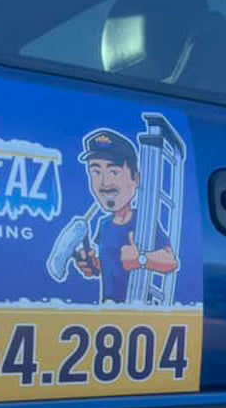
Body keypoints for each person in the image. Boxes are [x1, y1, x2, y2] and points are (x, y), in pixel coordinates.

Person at [73, 128, 177, 303]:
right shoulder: (104, 224)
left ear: (135, 180)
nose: (105, 183)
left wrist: (141, 259)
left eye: (114, 172)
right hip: (109, 309)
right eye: (96, 172)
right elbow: (109, 265)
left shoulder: (144, 221)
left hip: (137, 309)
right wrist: (92, 265)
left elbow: (171, 260)